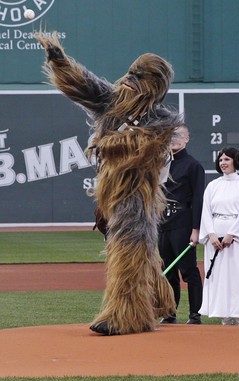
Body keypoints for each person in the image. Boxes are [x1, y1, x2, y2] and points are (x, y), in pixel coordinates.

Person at [35, 32, 177, 335]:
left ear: (154, 87)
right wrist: (60, 61)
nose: (129, 78)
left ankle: (122, 316)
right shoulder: (112, 101)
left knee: (129, 251)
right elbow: (84, 84)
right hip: (111, 192)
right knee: (140, 250)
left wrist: (106, 142)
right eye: (131, 72)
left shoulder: (162, 120)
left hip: (137, 193)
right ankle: (157, 303)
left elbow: (141, 147)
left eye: (139, 77)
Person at [198, 147, 239, 326]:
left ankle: (238, 315)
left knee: (238, 275)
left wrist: (232, 234)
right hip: (215, 239)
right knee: (219, 276)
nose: (223, 163)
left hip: (236, 241)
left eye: (227, 159)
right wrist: (212, 234)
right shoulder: (213, 186)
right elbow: (206, 212)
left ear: (236, 161)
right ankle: (224, 315)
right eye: (221, 159)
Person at [158, 125, 205, 325]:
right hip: (163, 224)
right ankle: (170, 313)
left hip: (183, 224)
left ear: (187, 139)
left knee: (188, 271)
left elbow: (198, 199)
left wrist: (196, 230)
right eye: (172, 136)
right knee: (168, 271)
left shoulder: (193, 166)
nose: (175, 139)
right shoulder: (161, 165)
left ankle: (195, 314)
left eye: (179, 136)